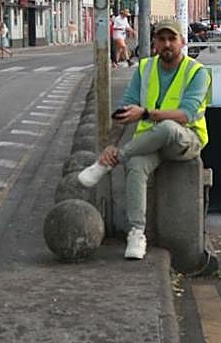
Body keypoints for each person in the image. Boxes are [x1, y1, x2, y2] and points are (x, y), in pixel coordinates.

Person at [76, 18, 210, 261]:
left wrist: (146, 114)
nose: (167, 44)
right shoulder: (145, 68)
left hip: (186, 141)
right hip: (150, 142)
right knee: (136, 166)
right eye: (162, 39)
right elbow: (125, 109)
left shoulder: (196, 72)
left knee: (168, 127)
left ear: (182, 42)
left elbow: (186, 114)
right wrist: (110, 145)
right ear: (155, 43)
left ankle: (110, 163)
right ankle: (137, 232)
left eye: (172, 39)